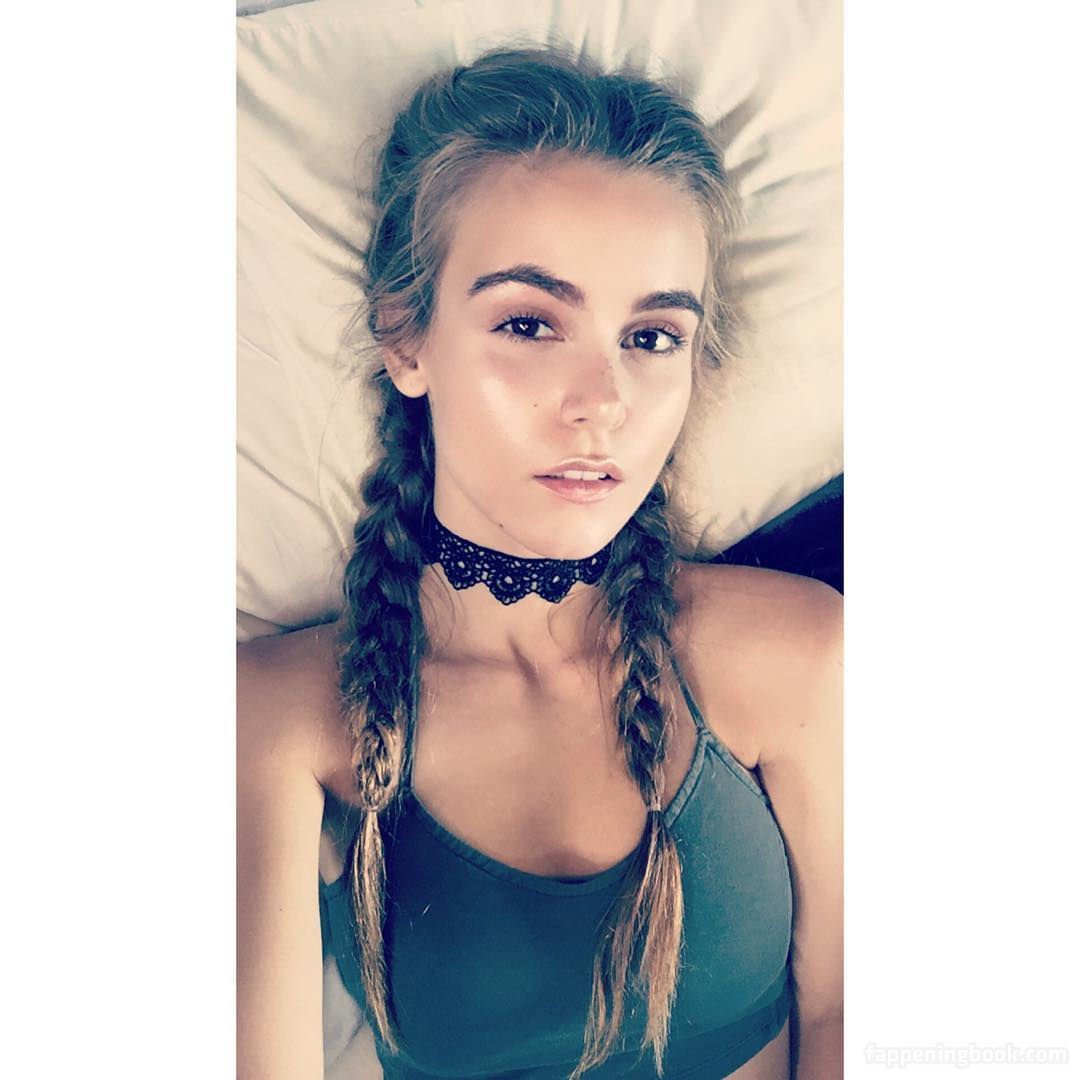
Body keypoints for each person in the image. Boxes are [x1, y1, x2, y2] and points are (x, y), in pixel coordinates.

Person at [238, 44, 842, 1080]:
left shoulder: (797, 652)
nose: (602, 402)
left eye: (653, 337)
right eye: (529, 323)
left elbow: (843, 1008)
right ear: (406, 339)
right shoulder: (283, 718)